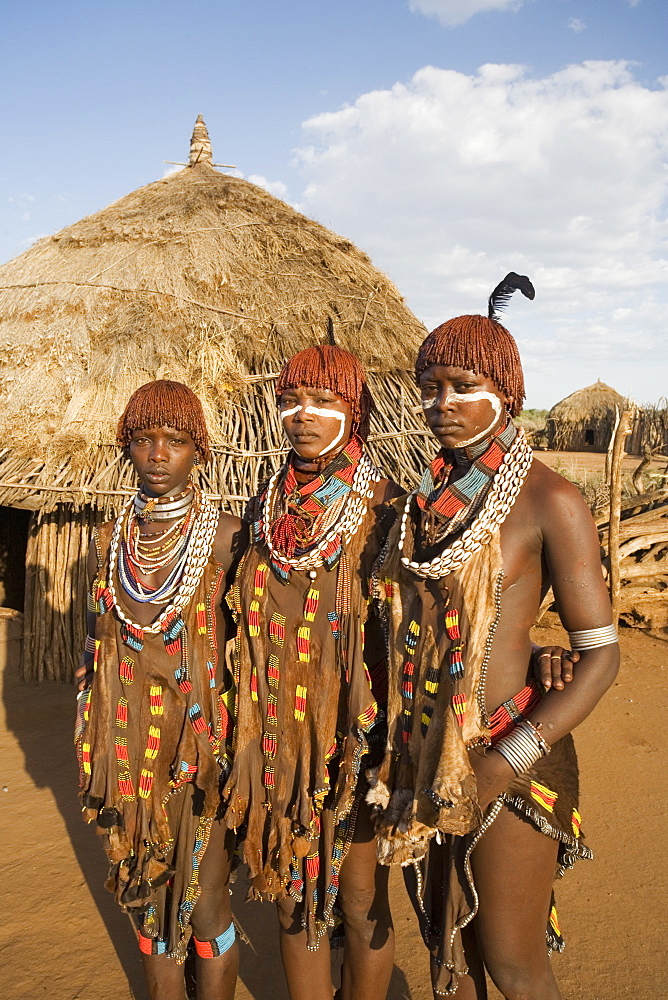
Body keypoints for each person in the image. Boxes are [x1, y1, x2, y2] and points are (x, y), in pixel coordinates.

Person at [368, 275, 619, 1000]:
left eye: (461, 385)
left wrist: (497, 769)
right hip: (427, 751)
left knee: (514, 964)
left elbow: (602, 657)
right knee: (457, 945)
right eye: (429, 386)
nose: (440, 404)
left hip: (508, 757)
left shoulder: (551, 500)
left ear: (506, 389)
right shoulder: (426, 500)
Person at [222, 345, 403, 1000]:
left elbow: (451, 615)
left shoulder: (389, 511)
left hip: (356, 744)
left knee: (357, 901)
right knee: (291, 899)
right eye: (293, 401)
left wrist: (542, 655)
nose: (304, 416)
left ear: (354, 411)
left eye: (324, 401)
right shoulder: (262, 508)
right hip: (274, 741)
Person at [75, 380, 245, 1000]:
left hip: (197, 754)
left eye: (174, 441)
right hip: (126, 756)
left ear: (198, 451)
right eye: (144, 439)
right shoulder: (110, 540)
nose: (157, 453)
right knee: (146, 900)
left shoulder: (229, 538)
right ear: (127, 448)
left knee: (205, 901)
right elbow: (100, 640)